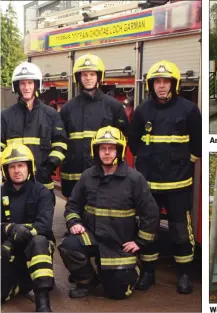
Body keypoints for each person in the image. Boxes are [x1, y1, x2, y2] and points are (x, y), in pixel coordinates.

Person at [57, 126, 159, 300]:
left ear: (119, 151)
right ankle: (87, 280)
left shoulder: (134, 179)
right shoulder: (87, 176)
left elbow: (151, 213)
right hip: (93, 235)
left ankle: (133, 267)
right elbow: (72, 204)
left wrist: (140, 241)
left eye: (111, 148)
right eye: (102, 148)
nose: (106, 152)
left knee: (117, 293)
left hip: (119, 242)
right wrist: (75, 223)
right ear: (95, 151)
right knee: (68, 246)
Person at [128, 60, 202, 294]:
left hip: (179, 186)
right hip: (149, 186)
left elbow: (198, 144)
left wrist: (184, 163)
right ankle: (148, 273)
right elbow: (134, 143)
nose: (161, 86)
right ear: (151, 84)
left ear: (174, 83)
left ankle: (183, 276)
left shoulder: (189, 110)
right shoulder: (142, 111)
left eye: (166, 81)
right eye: (157, 81)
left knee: (181, 232)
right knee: (149, 230)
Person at [59, 53, 129, 199]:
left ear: (99, 77)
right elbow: (60, 140)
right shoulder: (68, 108)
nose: (88, 78)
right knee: (74, 214)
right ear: (79, 77)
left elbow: (123, 140)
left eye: (92, 74)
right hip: (73, 175)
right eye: (84, 74)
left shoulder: (113, 106)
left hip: (105, 174)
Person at [1, 62, 68, 204]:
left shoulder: (51, 114)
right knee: (14, 225)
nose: (26, 87)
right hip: (14, 187)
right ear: (17, 86)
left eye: (30, 83)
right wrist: (6, 170)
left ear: (36, 85)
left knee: (43, 225)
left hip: (42, 184)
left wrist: (49, 167)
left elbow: (61, 144)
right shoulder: (5, 116)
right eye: (22, 83)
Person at [1, 143, 55, 312]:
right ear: (6, 170)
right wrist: (9, 230)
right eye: (12, 166)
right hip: (8, 250)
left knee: (39, 241)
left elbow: (44, 226)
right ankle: (21, 284)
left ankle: (42, 301)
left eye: (21, 165)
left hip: (37, 249)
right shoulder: (1, 193)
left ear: (29, 167)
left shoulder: (42, 193)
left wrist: (20, 232)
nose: (17, 170)